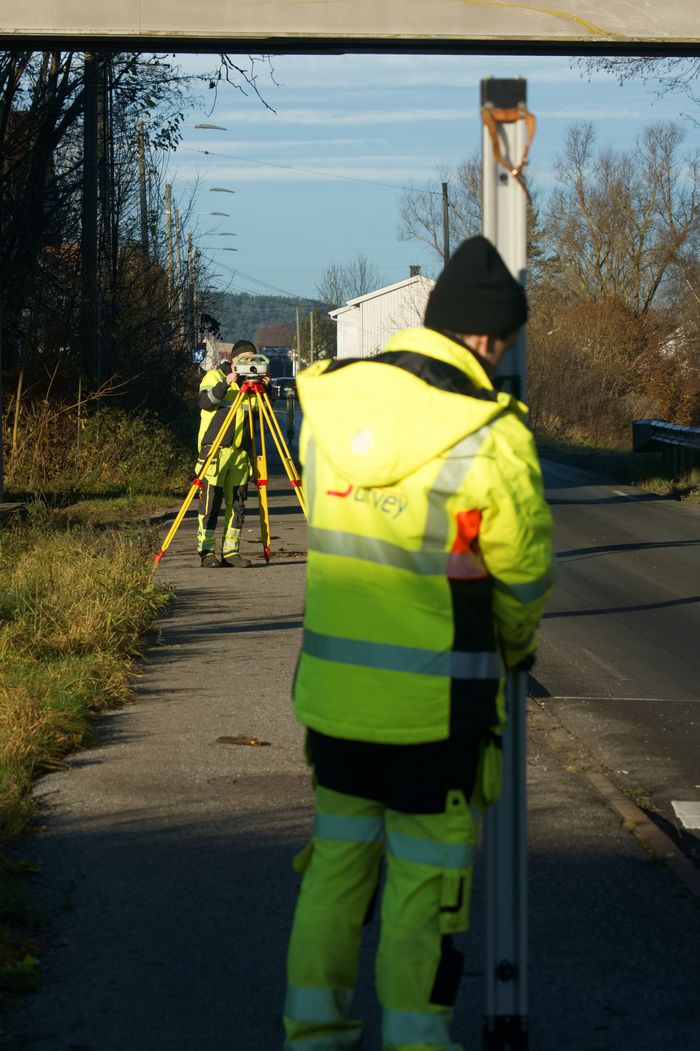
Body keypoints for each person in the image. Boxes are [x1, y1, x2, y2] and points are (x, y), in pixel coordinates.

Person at [283, 236, 557, 1051]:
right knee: (423, 888)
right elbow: (525, 576)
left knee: (335, 872)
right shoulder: (489, 434)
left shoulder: (327, 408)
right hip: (437, 712)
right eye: (503, 342)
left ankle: (313, 1034)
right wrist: (511, 646)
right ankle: (415, 1041)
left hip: (334, 701)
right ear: (483, 338)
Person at [195, 339, 262, 568]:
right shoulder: (214, 376)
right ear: (233, 359)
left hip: (239, 453)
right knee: (210, 504)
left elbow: (261, 418)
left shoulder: (252, 385)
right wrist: (227, 382)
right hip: (215, 450)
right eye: (244, 359)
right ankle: (206, 552)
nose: (247, 363)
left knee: (237, 505)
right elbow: (205, 402)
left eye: (252, 359)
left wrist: (265, 390)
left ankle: (231, 552)